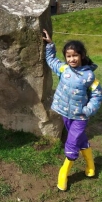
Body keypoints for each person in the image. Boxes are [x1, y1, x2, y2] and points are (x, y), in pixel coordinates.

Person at [43, 29, 102, 191]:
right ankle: (91, 166)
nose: (72, 59)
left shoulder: (89, 76)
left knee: (71, 143)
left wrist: (88, 110)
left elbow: (97, 94)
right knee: (80, 139)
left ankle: (64, 172)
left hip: (80, 116)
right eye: (68, 56)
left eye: (75, 55)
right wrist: (50, 45)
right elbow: (51, 60)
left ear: (82, 55)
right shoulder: (63, 70)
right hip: (65, 114)